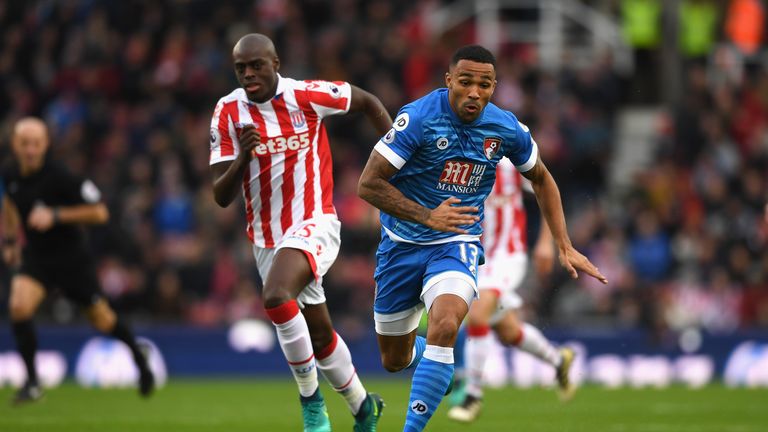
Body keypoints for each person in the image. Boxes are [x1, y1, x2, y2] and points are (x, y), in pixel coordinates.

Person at [357, 45, 607, 432]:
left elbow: (540, 177)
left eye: (485, 84)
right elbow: (368, 184)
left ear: (494, 87)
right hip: (400, 247)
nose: (475, 91)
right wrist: (427, 215)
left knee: (445, 324)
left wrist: (563, 244)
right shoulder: (418, 119)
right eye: (466, 81)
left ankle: (438, 409)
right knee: (395, 359)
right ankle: (439, 367)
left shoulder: (505, 128)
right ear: (449, 81)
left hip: (456, 244)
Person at [209, 34, 392, 432]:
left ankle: (311, 403)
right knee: (320, 335)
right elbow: (220, 195)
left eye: (257, 65)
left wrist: (396, 159)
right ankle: (364, 408)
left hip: (315, 221)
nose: (249, 74)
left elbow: (366, 101)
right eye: (241, 68)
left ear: (275, 63)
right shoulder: (227, 112)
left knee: (275, 296)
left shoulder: (306, 96)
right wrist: (243, 156)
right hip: (266, 238)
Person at [2, 117, 154, 405]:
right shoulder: (10, 173)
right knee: (19, 307)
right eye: (25, 144)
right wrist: (10, 242)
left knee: (102, 320)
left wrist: (56, 215)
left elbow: (100, 213)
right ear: (15, 145)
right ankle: (33, 383)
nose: (30, 150)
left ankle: (137, 354)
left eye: (36, 144)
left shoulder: (61, 176)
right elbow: (10, 204)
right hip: (38, 258)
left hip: (72, 260)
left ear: (46, 145)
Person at [447, 159, 576, 423]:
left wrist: (545, 243)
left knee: (478, 315)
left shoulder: (509, 158)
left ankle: (472, 396)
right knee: (508, 331)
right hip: (477, 258)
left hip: (508, 254)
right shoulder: (458, 157)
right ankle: (558, 359)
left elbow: (546, 188)